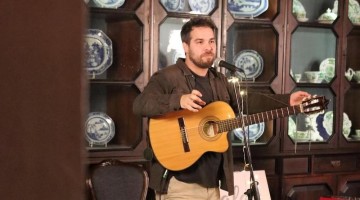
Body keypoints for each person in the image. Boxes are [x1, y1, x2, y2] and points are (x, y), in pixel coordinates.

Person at [133, 16, 311, 200]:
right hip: (179, 184)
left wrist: (288, 100)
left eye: (211, 41)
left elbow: (248, 101)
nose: (208, 47)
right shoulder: (167, 77)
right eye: (199, 42)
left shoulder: (220, 80)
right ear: (185, 46)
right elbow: (140, 104)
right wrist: (179, 100)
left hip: (213, 184)